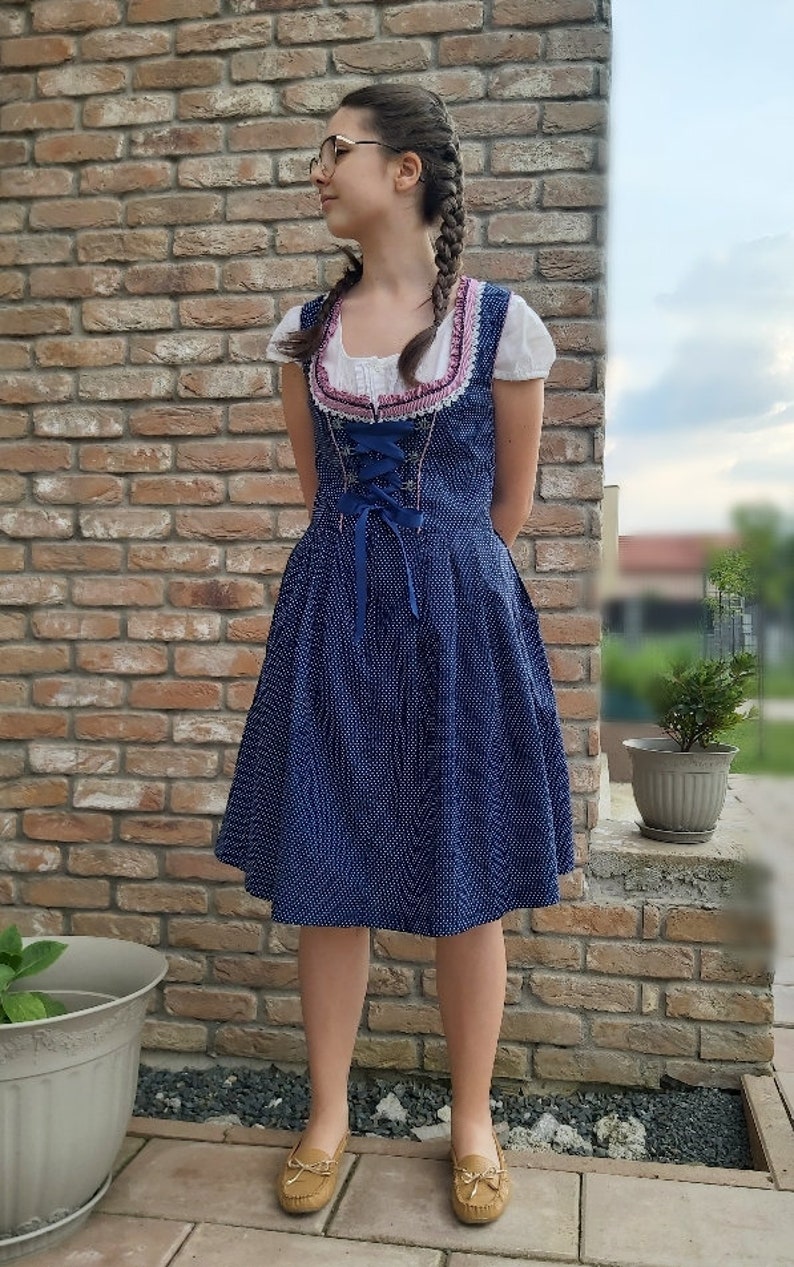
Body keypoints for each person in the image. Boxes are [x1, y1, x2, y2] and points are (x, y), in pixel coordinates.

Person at [214, 83, 575, 1225]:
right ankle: (329, 1114)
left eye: (335, 150)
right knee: (330, 866)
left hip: (460, 621)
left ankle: (472, 1120)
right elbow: (317, 494)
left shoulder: (499, 323)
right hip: (331, 610)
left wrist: (435, 583)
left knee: (466, 877)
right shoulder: (306, 334)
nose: (317, 169)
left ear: (405, 168)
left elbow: (505, 505)